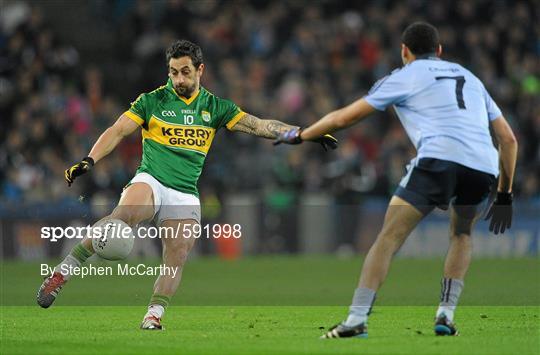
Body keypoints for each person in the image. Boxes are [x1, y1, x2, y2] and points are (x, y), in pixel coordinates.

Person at [37, 39, 337, 330]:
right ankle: (62, 273)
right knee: (120, 220)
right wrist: (90, 159)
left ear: (200, 70)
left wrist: (303, 133)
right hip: (151, 179)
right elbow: (118, 130)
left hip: (184, 192)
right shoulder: (152, 100)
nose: (178, 79)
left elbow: (258, 125)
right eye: (173, 72)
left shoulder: (215, 107)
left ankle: (153, 315)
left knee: (177, 254)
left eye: (185, 72)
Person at [275, 22, 517, 337]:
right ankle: (445, 314)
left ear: (404, 51)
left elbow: (346, 117)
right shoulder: (470, 78)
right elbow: (508, 139)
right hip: (482, 166)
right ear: (439, 51)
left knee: (387, 239)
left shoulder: (404, 76)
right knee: (462, 235)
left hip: (438, 158)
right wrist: (505, 195)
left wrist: (301, 135)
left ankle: (357, 319)